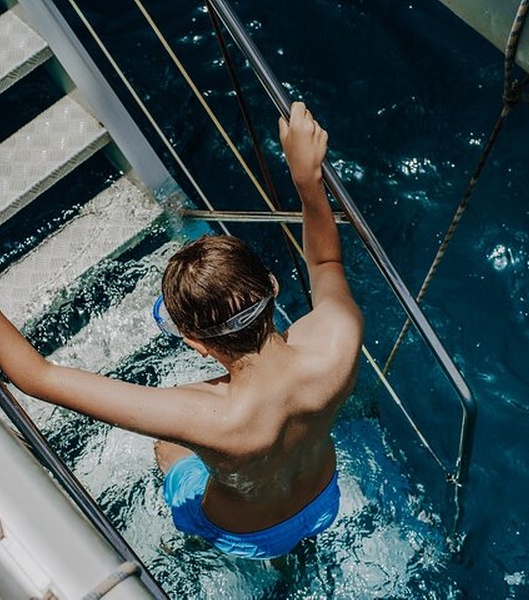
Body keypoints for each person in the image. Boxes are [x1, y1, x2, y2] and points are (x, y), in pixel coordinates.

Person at [0, 101, 364, 560]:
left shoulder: (199, 415)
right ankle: (296, 550)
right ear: (272, 286)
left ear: (194, 341)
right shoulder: (336, 340)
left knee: (168, 449)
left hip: (241, 533)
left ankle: (202, 546)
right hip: (321, 499)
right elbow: (326, 262)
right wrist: (306, 178)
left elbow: (38, 377)